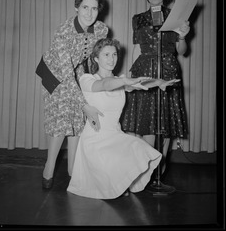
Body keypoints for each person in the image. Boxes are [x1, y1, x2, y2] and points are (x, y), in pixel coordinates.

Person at [67, 38, 178, 199]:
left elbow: (139, 83)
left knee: (140, 148)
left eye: (114, 54)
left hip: (116, 136)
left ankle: (118, 181)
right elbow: (105, 84)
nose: (111, 59)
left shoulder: (120, 80)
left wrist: (160, 82)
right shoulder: (87, 79)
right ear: (96, 58)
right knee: (115, 179)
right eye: (106, 55)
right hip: (95, 140)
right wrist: (125, 81)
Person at [37, 0, 109, 189]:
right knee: (61, 118)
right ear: (76, 7)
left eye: (94, 9)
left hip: (76, 71)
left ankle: (73, 170)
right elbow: (65, 74)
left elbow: (96, 59)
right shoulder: (63, 32)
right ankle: (49, 167)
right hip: (55, 73)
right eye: (85, 7)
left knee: (77, 120)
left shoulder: (102, 30)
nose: (89, 13)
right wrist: (85, 104)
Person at [120, 0, 190, 175]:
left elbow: (182, 50)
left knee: (165, 123)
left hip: (167, 71)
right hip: (144, 72)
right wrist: (132, 77)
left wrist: (183, 36)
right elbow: (136, 49)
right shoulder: (138, 19)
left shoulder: (176, 17)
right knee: (146, 123)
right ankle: (146, 169)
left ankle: (160, 168)